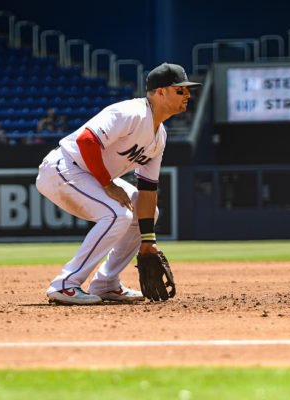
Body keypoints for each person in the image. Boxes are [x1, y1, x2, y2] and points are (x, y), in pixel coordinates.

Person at [35, 62, 201, 305]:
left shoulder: (160, 137)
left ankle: (106, 283)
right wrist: (108, 185)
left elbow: (147, 189)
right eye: (180, 90)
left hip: (89, 175)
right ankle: (65, 284)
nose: (187, 94)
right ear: (160, 92)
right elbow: (86, 140)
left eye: (187, 90)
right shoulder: (132, 113)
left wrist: (148, 241)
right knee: (116, 214)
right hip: (63, 168)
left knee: (145, 212)